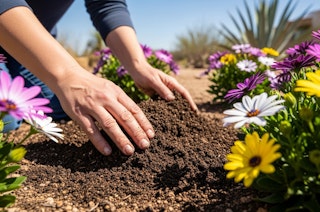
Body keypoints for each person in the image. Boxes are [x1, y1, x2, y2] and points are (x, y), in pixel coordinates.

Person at [0, 0, 197, 156]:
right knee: (7, 117)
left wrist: (138, 65)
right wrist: (67, 75)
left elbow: (106, 4)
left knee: (68, 107)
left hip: (30, 48)